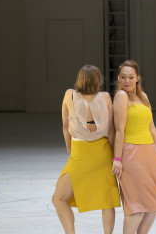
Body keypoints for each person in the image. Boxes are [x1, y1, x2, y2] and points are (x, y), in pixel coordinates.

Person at [52, 65, 121, 234]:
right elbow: (111, 130)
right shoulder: (105, 97)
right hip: (103, 152)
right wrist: (115, 157)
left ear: (80, 79)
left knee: (59, 199)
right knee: (107, 201)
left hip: (80, 152)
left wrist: (69, 147)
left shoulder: (70, 95)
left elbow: (65, 126)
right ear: (98, 80)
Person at [112, 60, 156, 234]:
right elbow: (119, 130)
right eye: (123, 77)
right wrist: (117, 159)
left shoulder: (143, 97)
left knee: (153, 205)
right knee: (137, 206)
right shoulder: (121, 97)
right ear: (118, 78)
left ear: (137, 78)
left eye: (131, 77)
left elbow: (152, 127)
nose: (127, 81)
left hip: (150, 154)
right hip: (131, 153)